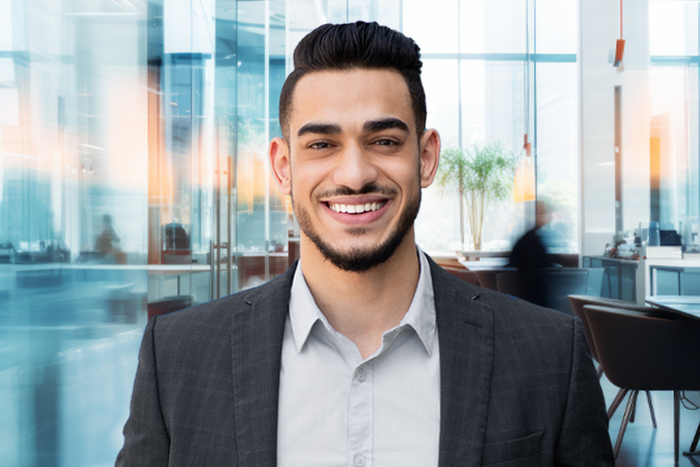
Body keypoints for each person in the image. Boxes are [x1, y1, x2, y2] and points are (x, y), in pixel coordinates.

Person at [116, 22, 613, 466]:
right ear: (283, 167)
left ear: (425, 157)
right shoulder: (177, 357)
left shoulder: (550, 355)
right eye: (321, 144)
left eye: (383, 141)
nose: (354, 175)